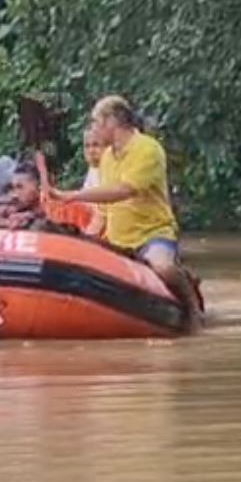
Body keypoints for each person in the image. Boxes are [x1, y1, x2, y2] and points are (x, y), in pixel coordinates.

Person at [47, 95, 200, 329]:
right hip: (118, 239)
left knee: (163, 267)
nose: (94, 130)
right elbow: (104, 208)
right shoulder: (107, 158)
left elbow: (124, 190)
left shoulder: (147, 149)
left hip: (152, 234)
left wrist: (72, 196)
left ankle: (192, 309)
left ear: (112, 122)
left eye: (96, 122)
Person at [0, 163, 103, 236]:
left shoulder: (65, 208)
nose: (15, 195)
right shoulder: (31, 213)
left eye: (20, 187)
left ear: (40, 185)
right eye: (14, 188)